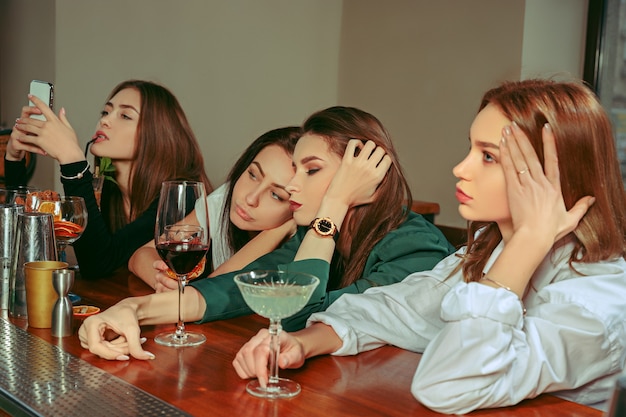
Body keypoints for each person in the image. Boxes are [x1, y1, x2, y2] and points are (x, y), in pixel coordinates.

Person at [232, 79, 626, 414]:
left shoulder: (596, 299)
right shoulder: (484, 251)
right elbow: (399, 307)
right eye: (470, 148)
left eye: (487, 156)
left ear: (553, 176)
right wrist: (301, 342)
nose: (461, 168)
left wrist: (529, 242)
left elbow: (447, 385)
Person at [77, 105, 455, 360]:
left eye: (310, 170)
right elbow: (228, 291)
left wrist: (335, 202)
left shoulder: (414, 248)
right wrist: (131, 309)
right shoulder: (313, 239)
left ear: (361, 177)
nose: (292, 185)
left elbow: (299, 314)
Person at [5, 80, 212, 278]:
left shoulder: (181, 195)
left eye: (125, 116)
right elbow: (24, 226)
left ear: (159, 133)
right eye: (106, 111)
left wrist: (73, 163)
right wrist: (14, 159)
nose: (105, 120)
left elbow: (98, 263)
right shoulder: (107, 190)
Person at [128, 126, 302, 290]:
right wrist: (164, 284)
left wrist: (278, 231)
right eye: (252, 175)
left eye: (276, 195)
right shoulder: (224, 199)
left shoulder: (301, 239)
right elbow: (142, 254)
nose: (251, 198)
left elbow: (218, 288)